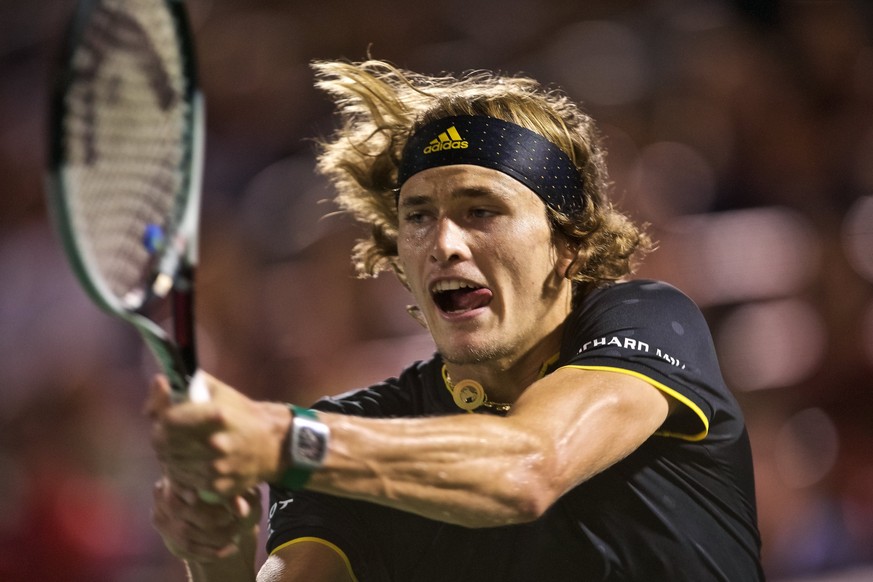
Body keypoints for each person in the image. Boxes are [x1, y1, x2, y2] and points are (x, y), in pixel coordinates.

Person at [147, 59, 764, 581]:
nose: (443, 241)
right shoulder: (350, 428)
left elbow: (528, 469)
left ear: (568, 243)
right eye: (417, 216)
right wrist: (219, 559)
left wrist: (284, 440)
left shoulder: (651, 320)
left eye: (480, 210)